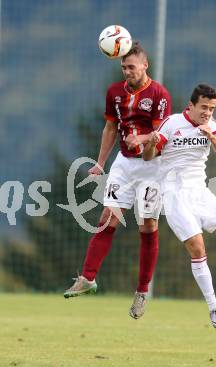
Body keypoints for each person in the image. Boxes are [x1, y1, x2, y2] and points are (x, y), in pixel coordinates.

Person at [64, 42, 172, 320]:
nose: (127, 72)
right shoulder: (114, 93)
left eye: (131, 67)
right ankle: (87, 278)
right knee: (106, 218)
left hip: (152, 165)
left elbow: (162, 134)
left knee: (147, 226)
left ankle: (142, 291)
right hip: (124, 164)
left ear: (145, 65)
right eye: (123, 67)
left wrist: (143, 139)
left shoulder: (159, 94)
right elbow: (111, 127)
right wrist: (101, 163)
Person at [143, 83, 216, 329]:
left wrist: (211, 135)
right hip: (174, 194)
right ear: (191, 106)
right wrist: (152, 143)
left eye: (212, 108)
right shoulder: (173, 123)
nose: (208, 112)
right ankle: (214, 307)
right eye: (204, 107)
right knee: (197, 247)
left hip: (200, 191)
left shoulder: (211, 125)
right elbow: (148, 156)